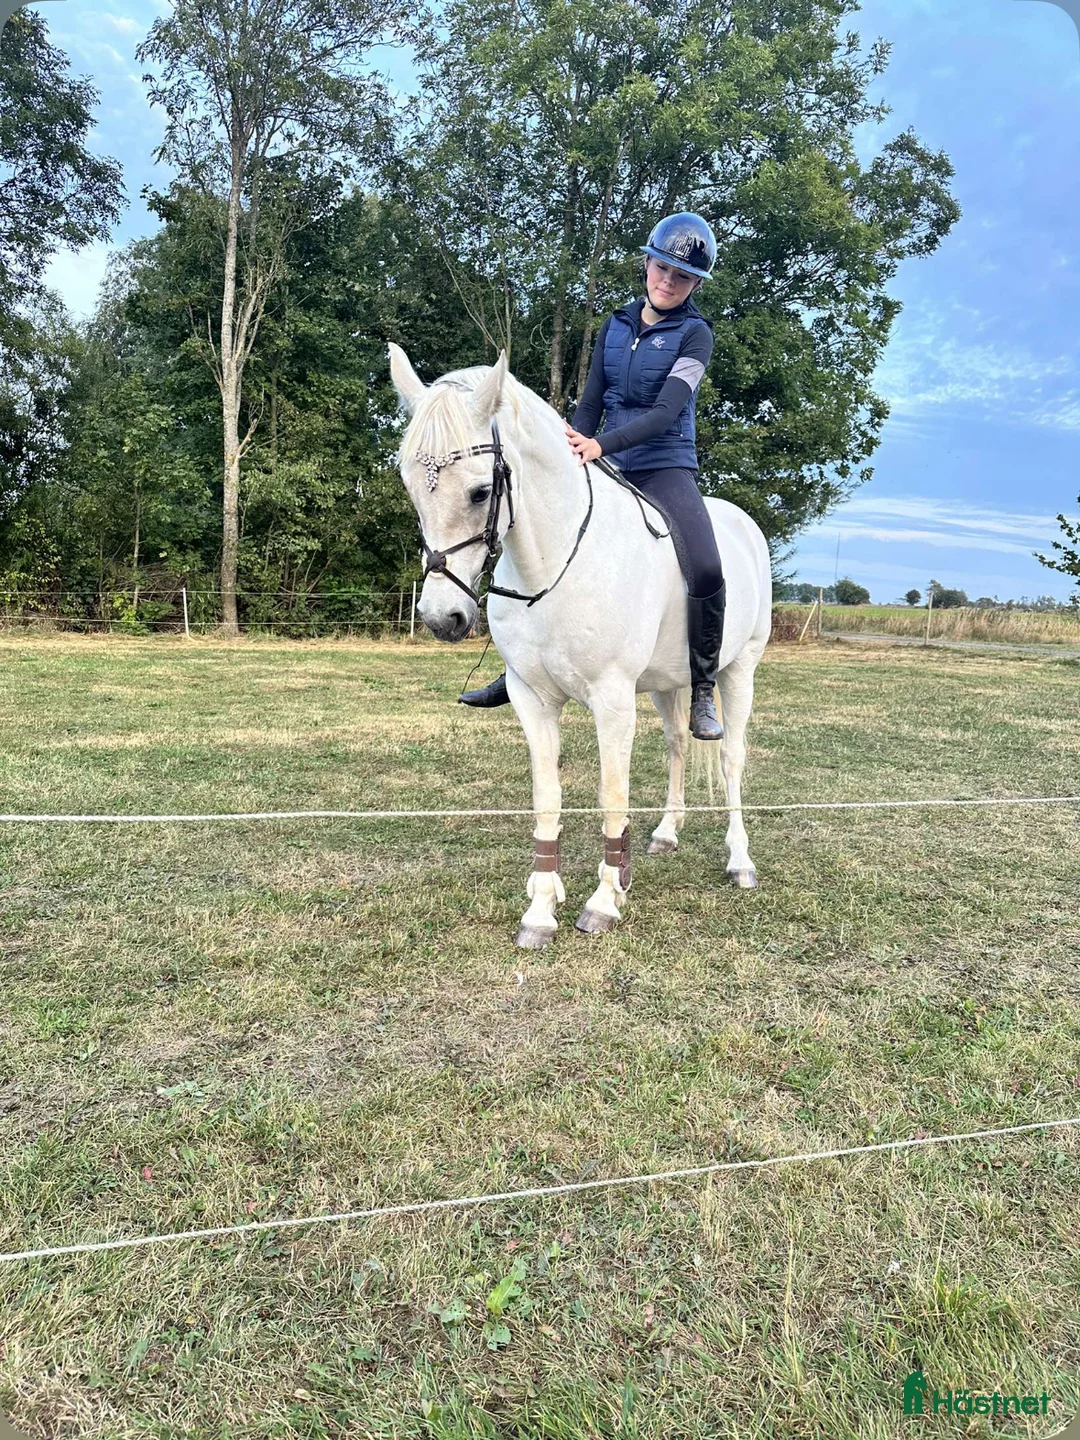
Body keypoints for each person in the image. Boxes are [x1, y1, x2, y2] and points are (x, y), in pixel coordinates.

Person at [459, 211, 726, 741]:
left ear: (695, 284)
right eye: (661, 268)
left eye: (681, 277)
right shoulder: (617, 324)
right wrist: (570, 449)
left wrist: (601, 443)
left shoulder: (696, 335)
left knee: (707, 564)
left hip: (664, 464)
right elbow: (589, 403)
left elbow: (669, 410)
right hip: (603, 460)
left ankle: (701, 688)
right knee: (535, 537)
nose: (667, 282)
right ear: (646, 264)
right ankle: (520, 666)